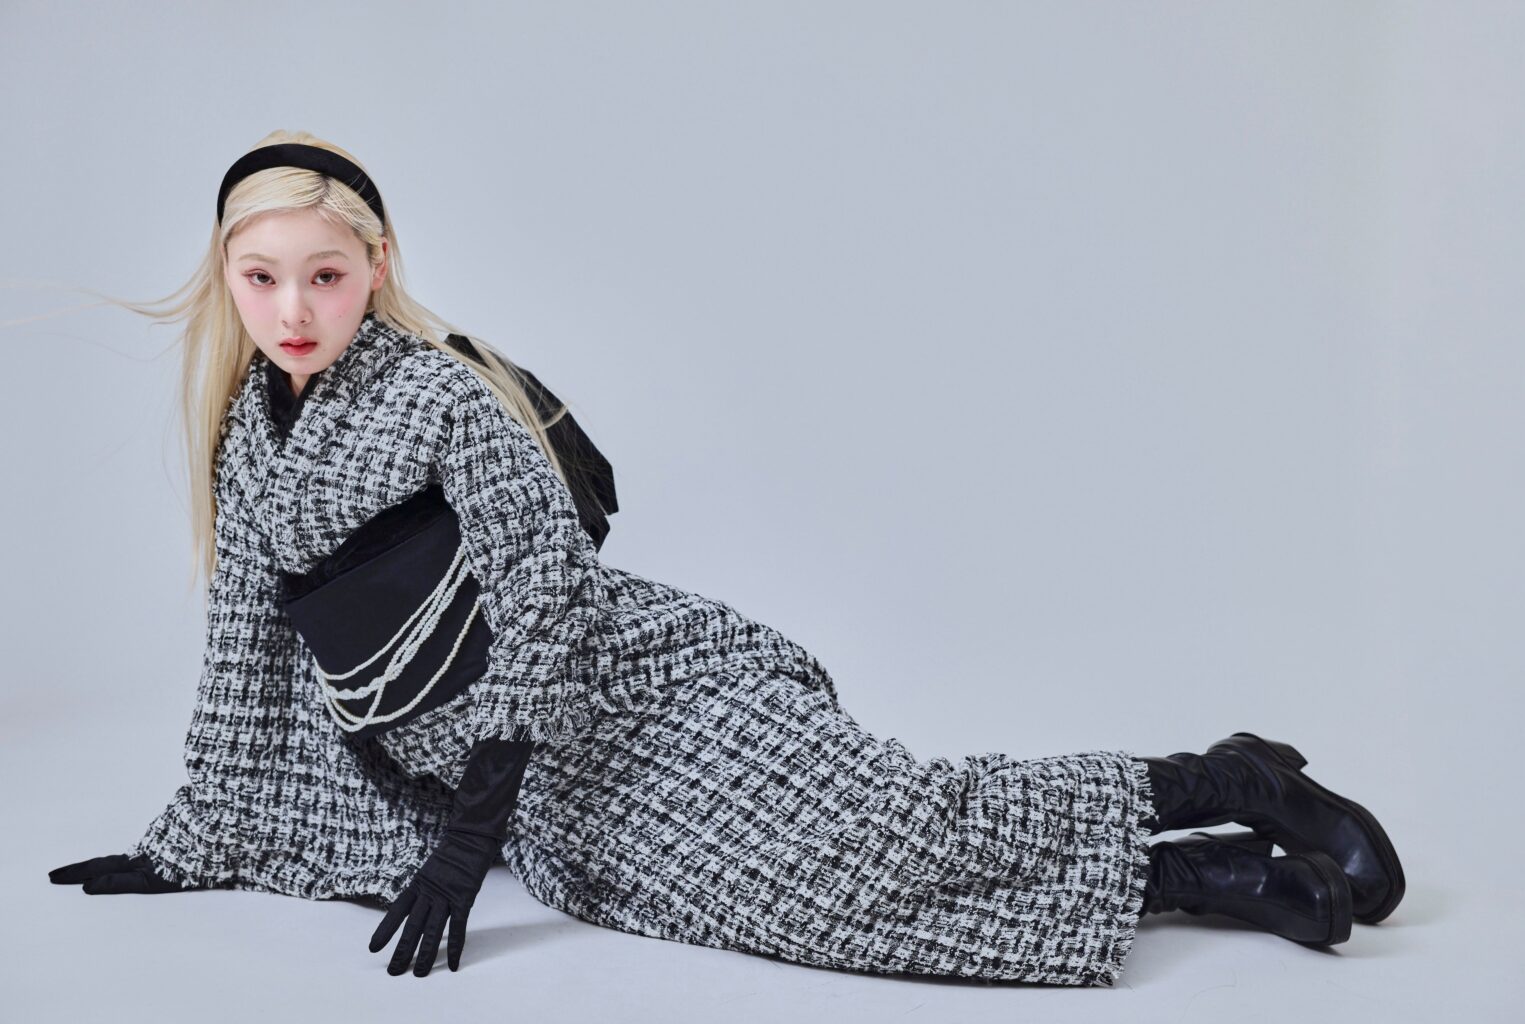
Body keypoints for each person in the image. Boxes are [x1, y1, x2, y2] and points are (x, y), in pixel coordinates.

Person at [47, 130, 1404, 984]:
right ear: (225, 277)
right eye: (262, 276)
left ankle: (1215, 783)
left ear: (378, 262)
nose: (293, 307)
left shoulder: (446, 398)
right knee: (791, 912)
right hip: (534, 790)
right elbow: (244, 654)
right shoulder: (246, 440)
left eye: (325, 273)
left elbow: (546, 606)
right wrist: (194, 836)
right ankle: (1196, 878)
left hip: (629, 693)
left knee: (885, 835)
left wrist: (469, 840)